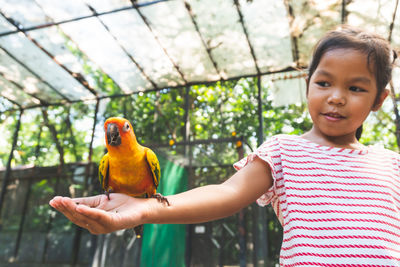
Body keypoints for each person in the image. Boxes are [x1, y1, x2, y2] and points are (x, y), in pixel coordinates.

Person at [49, 25, 399, 265]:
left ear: (379, 99)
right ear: (308, 84)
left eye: (355, 88)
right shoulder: (282, 151)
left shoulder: (391, 164)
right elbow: (225, 193)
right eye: (324, 83)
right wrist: (143, 209)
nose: (336, 98)